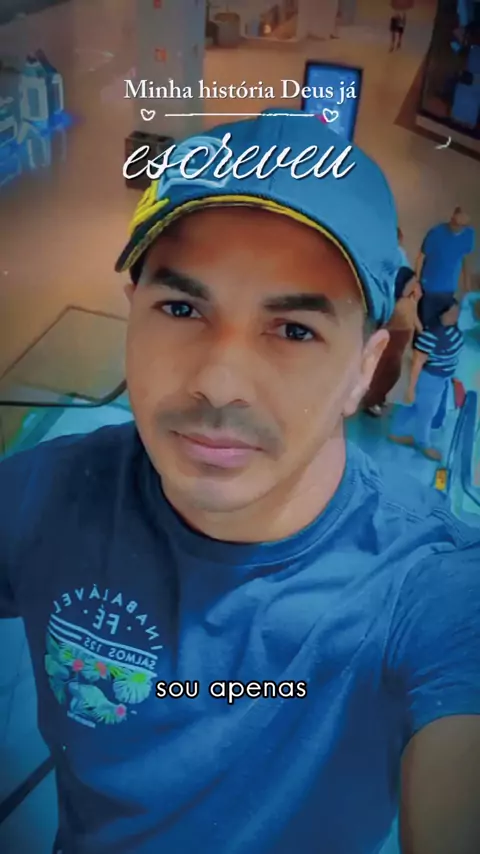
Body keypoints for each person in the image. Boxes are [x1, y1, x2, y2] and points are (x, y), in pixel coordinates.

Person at [1, 112, 479, 854]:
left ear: (363, 368)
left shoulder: (431, 587)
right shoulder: (49, 495)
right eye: (181, 309)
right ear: (132, 315)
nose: (219, 382)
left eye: (294, 330)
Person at [389, 299, 464, 460]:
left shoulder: (451, 328)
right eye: (451, 312)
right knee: (427, 412)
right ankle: (423, 443)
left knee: (414, 406)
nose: (456, 315)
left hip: (441, 378)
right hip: (430, 380)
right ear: (440, 314)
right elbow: (417, 363)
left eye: (457, 311)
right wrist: (410, 388)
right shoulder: (431, 335)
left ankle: (396, 433)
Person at [364, 266, 422, 416]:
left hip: (400, 345)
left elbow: (414, 319)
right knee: (383, 374)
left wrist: (422, 332)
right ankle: (371, 402)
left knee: (392, 375)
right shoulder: (394, 303)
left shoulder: (410, 301)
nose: (415, 286)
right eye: (412, 283)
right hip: (392, 342)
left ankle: (378, 398)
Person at [415, 206, 475, 328]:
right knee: (428, 326)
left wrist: (467, 284)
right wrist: (416, 282)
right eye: (455, 223)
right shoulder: (435, 233)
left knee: (446, 328)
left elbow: (465, 258)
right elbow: (420, 257)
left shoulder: (469, 235)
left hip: (449, 289)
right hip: (430, 288)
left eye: (461, 225)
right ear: (452, 218)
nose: (457, 227)